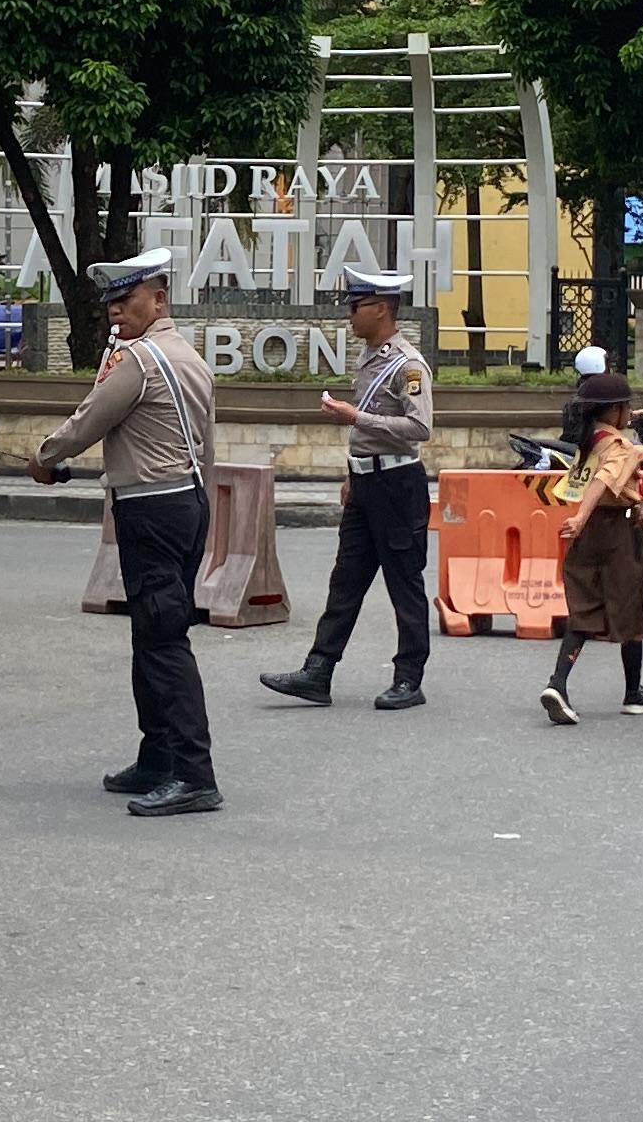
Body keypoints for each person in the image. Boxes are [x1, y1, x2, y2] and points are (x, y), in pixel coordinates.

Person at [33, 251, 225, 818]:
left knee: (164, 642)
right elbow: (207, 443)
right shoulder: (189, 357)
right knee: (151, 635)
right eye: (112, 302)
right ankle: (157, 758)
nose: (116, 310)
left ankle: (194, 773)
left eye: (127, 299)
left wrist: (45, 458)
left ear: (158, 299)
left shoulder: (140, 361)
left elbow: (89, 420)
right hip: (185, 503)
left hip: (152, 508)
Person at [261, 270, 436, 712]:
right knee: (346, 580)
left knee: (404, 583)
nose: (348, 314)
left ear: (380, 308)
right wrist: (352, 475)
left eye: (355, 306)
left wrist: (355, 417)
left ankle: (408, 678)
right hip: (367, 482)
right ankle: (318, 670)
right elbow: (369, 435)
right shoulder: (370, 358)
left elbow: (420, 427)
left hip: (398, 485)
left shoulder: (408, 365)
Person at [544, 372, 643, 725]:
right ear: (614, 410)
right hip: (618, 530)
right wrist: (582, 516)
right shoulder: (616, 448)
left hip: (588, 537)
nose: (629, 411)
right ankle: (633, 693)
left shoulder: (594, 438)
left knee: (584, 607)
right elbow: (605, 478)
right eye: (626, 406)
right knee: (630, 607)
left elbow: (641, 451)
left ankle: (558, 683)